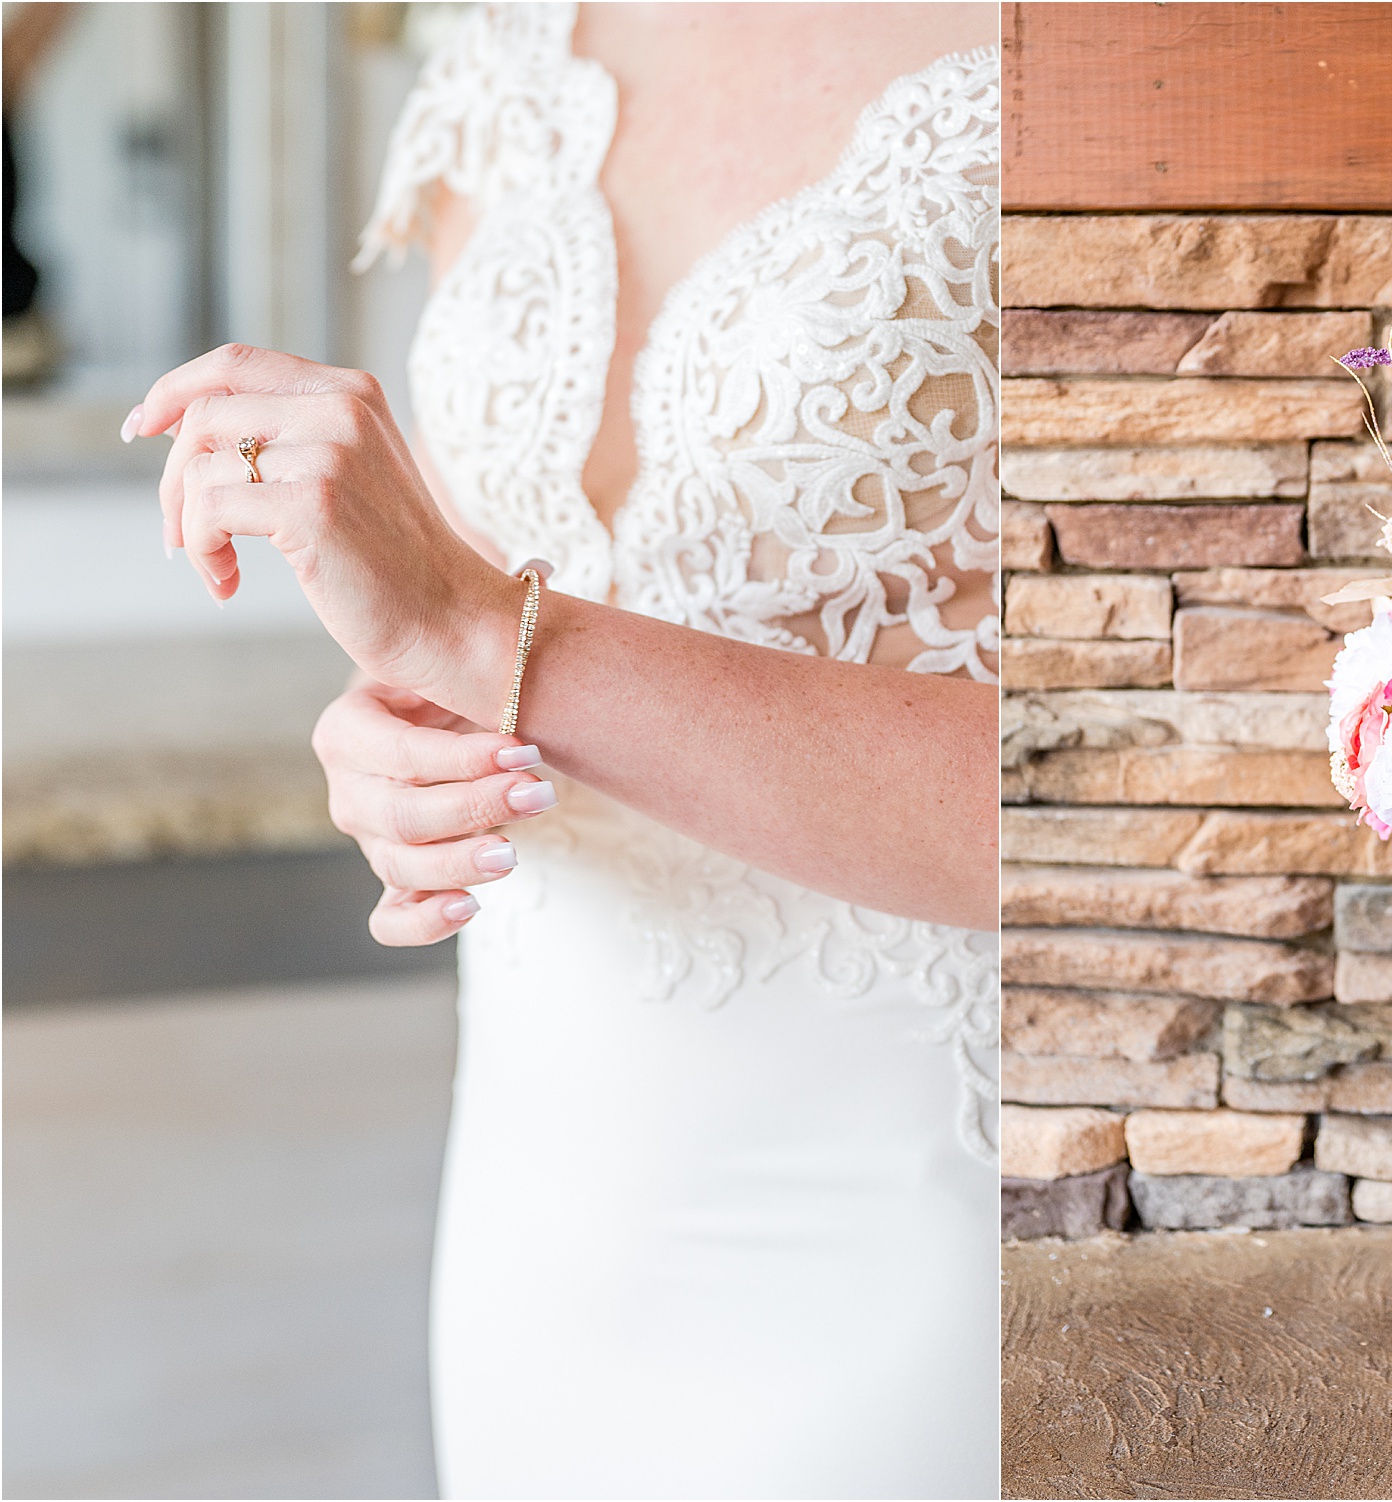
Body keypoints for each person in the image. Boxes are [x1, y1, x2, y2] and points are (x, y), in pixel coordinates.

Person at [124, 5, 999, 1496]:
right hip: (547, 1190)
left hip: (912, 1194)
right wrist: (396, 741)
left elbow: (1135, 785)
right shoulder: (517, 36)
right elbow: (477, 599)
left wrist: (482, 637)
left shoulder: (1124, 52)